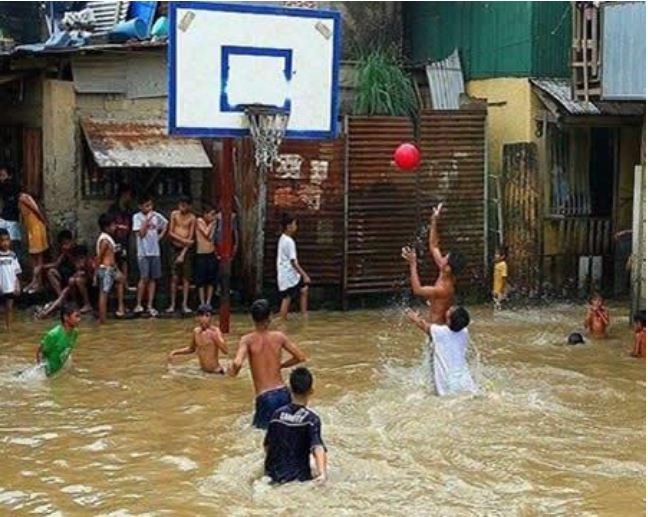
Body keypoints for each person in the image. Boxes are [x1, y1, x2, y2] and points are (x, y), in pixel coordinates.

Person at [228, 298, 307, 429]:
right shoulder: (279, 337)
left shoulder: (247, 340)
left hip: (265, 397)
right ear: (269, 316)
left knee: (262, 438)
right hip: (284, 393)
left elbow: (237, 363)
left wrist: (233, 371)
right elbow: (300, 357)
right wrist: (281, 365)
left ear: (252, 318)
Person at [263, 367, 327, 484]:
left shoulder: (276, 415)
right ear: (311, 391)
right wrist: (322, 474)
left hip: (273, 477)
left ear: (289, 389)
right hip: (298, 479)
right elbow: (318, 447)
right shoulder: (311, 419)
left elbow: (267, 446)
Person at [402, 203, 464, 324]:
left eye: (446, 257)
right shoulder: (445, 269)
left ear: (448, 268)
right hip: (434, 328)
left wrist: (413, 263)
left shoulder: (444, 289)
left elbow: (418, 290)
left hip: (437, 332)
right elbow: (434, 245)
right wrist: (434, 220)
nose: (443, 257)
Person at [405, 305, 476, 396]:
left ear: (449, 321)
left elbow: (421, 323)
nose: (448, 309)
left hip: (447, 383)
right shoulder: (464, 332)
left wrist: (409, 312)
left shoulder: (438, 332)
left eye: (449, 311)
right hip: (466, 381)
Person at [132, 194, 168, 317]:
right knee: (144, 278)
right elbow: (140, 234)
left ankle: (150, 305)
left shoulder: (157, 216)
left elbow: (166, 224)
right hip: (143, 252)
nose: (149, 208)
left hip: (155, 252)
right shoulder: (137, 217)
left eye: (150, 205)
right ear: (140, 206)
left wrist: (160, 236)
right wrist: (146, 221)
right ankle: (138, 304)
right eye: (146, 206)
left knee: (153, 279)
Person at [36, 245, 94, 320]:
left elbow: (91, 276)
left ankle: (87, 304)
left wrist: (83, 274)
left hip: (88, 284)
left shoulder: (89, 262)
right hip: (74, 283)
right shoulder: (74, 259)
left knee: (77, 281)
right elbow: (58, 264)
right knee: (66, 290)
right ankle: (47, 313)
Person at [168, 304, 228, 373]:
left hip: (216, 372)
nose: (203, 319)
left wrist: (215, 337)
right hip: (203, 372)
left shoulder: (215, 331)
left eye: (206, 316)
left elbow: (225, 351)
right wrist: (175, 352)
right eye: (201, 316)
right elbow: (191, 349)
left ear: (211, 317)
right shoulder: (196, 331)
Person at [166, 196, 196, 315]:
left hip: (186, 250)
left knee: (186, 278)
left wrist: (183, 252)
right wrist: (184, 241)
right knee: (174, 277)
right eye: (181, 204)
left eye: (185, 205)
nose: (182, 207)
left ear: (189, 206)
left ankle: (185, 304)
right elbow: (170, 233)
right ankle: (172, 304)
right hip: (174, 247)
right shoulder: (174, 214)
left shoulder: (192, 218)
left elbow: (191, 237)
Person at [277, 213, 310, 320]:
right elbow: (293, 262)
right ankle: (284, 319)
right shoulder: (289, 241)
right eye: (295, 224)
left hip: (285, 273)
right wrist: (304, 275)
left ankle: (303, 315)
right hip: (289, 274)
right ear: (289, 226)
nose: (296, 227)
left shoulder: (282, 238)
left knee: (303, 289)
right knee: (287, 297)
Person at [36, 303, 81, 377]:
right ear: (66, 317)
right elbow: (40, 352)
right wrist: (43, 374)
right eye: (76, 316)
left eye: (79, 316)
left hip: (59, 371)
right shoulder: (53, 335)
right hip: (48, 373)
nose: (79, 319)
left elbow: (66, 351)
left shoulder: (75, 332)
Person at [96, 213, 126, 323]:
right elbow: (99, 257)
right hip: (106, 270)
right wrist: (96, 273)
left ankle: (120, 307)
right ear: (106, 227)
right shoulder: (105, 240)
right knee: (103, 294)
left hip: (111, 269)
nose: (115, 227)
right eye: (113, 225)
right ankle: (102, 320)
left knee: (121, 279)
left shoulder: (108, 237)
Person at [19, 190, 49, 293]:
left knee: (38, 257)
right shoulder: (22, 199)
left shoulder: (23, 197)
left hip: (36, 228)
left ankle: (38, 283)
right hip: (31, 229)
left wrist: (43, 220)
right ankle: (34, 281)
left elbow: (35, 210)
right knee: (33, 256)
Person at [107, 183, 136, 288]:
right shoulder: (113, 208)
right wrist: (119, 227)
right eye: (128, 194)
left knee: (125, 260)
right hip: (115, 239)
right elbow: (109, 223)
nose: (130, 197)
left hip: (125, 239)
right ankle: (115, 283)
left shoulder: (129, 209)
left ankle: (125, 283)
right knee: (114, 260)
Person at [195, 204, 219, 306]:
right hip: (201, 254)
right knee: (201, 280)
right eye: (211, 214)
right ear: (205, 214)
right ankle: (202, 302)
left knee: (211, 280)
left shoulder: (213, 224)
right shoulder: (199, 221)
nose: (213, 217)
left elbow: (212, 238)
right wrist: (213, 223)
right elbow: (206, 233)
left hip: (211, 253)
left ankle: (208, 302)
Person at [0, 165, 23, 258]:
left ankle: (16, 266)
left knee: (15, 244)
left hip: (13, 220)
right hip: (3, 219)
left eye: (3, 175)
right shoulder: (2, 187)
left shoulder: (16, 187)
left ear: (10, 176)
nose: (1, 178)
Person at [0, 228, 21, 329]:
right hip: (1, 286)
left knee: (9, 308)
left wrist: (17, 285)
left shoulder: (12, 255)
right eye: (2, 240)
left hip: (10, 286)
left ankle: (9, 327)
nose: (5, 243)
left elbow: (16, 271)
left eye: (7, 240)